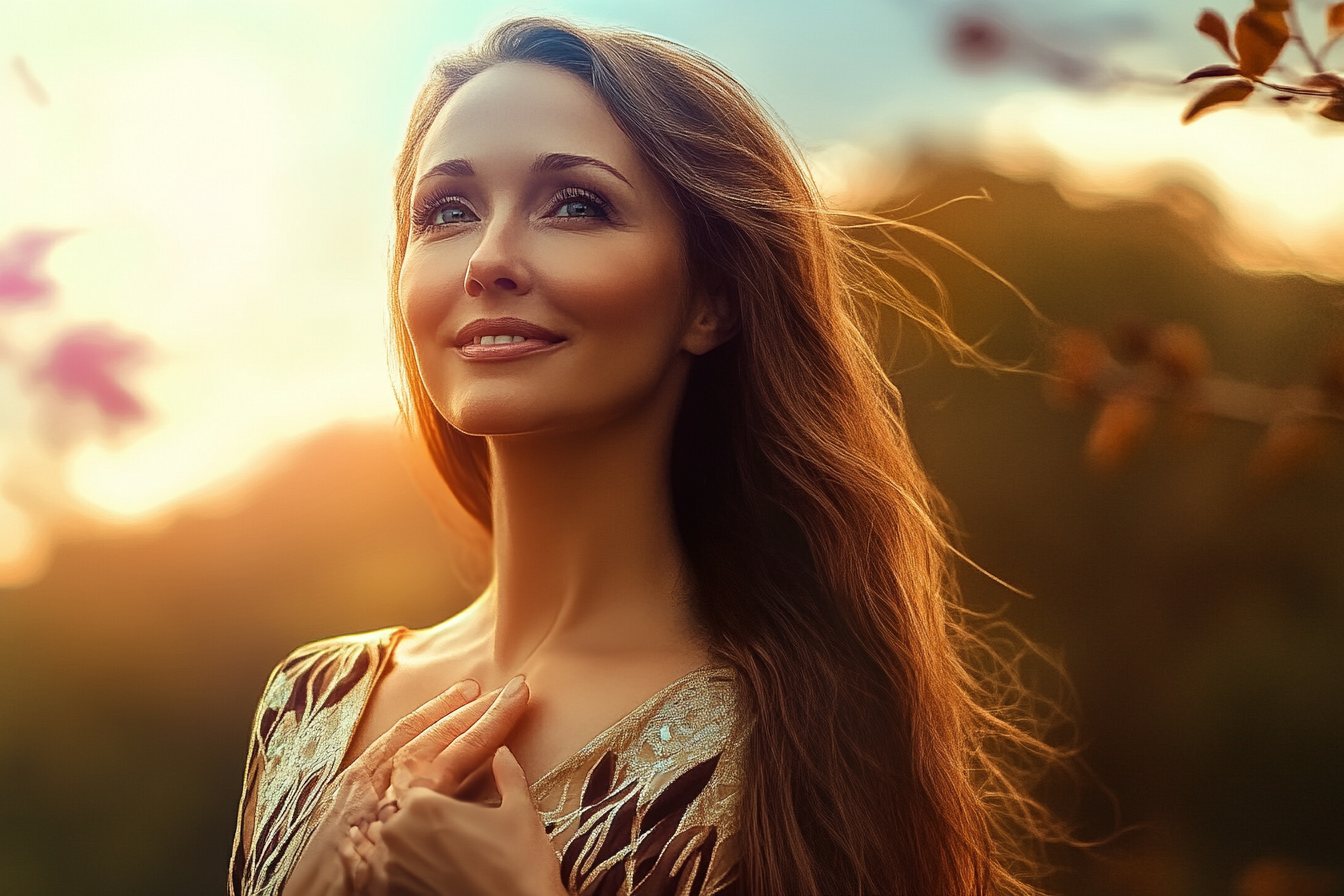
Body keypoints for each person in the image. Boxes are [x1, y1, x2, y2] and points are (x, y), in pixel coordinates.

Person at [229, 16, 1066, 896]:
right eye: (447, 211)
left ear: (710, 298)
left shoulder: (794, 735)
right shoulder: (312, 705)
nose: (489, 259)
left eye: (576, 205)